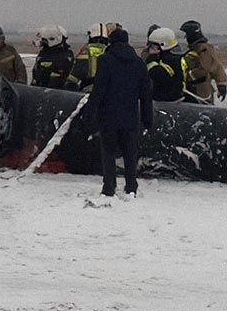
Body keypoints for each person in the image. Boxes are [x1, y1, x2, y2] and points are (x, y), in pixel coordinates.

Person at [85, 28, 153, 197]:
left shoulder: (105, 60)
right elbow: (146, 94)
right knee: (130, 154)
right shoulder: (139, 63)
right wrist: (147, 118)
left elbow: (98, 90)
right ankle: (131, 186)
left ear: (111, 42)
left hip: (108, 116)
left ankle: (109, 187)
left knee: (108, 153)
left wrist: (90, 113)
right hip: (130, 117)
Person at [181, 20, 227, 103]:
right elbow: (218, 68)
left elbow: (209, 69)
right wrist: (221, 84)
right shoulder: (201, 48)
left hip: (200, 92)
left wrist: (189, 75)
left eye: (187, 34)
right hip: (199, 91)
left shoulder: (203, 50)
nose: (186, 37)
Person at [67, 22, 119, 92]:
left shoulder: (85, 51)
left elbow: (74, 77)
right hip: (109, 94)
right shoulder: (111, 51)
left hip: (88, 93)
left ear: (90, 35)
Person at [144, 27, 186, 102]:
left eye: (153, 46)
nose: (150, 49)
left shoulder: (170, 61)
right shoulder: (176, 57)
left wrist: (151, 59)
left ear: (163, 45)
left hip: (169, 103)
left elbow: (156, 75)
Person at [31, 25, 74, 89]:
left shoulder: (66, 55)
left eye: (45, 41)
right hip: (40, 91)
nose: (43, 44)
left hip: (59, 92)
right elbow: (36, 72)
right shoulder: (44, 53)